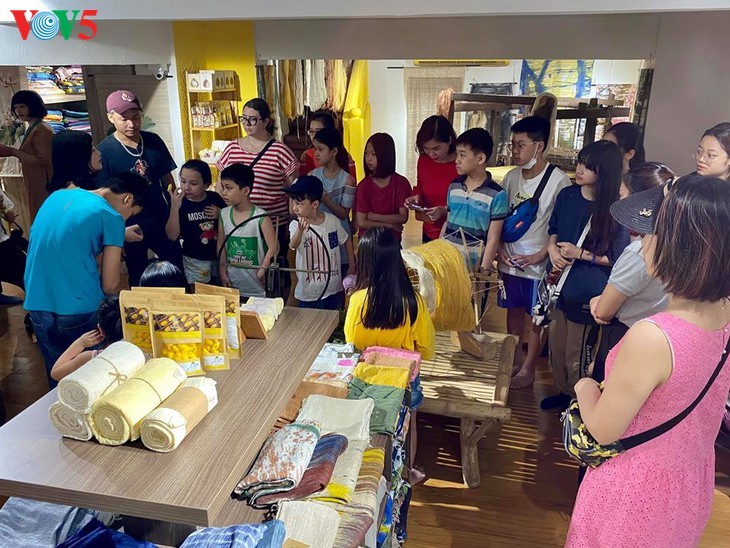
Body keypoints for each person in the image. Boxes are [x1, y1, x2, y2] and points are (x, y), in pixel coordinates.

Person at [566, 175, 730, 548]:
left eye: (648, 233)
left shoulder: (653, 336)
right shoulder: (725, 315)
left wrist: (584, 386)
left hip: (633, 489)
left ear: (678, 248)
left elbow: (605, 430)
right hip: (689, 481)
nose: (640, 242)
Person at [24, 172, 148, 386]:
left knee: (58, 374)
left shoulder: (57, 196)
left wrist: (119, 234)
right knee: (89, 380)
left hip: (37, 303)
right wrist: (118, 233)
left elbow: (65, 237)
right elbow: (110, 285)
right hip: (80, 308)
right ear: (127, 198)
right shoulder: (112, 217)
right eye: (130, 213)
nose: (125, 218)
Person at [542, 140, 629, 411]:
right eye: (580, 162)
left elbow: (617, 258)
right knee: (556, 344)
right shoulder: (567, 196)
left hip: (588, 291)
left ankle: (578, 403)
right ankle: (563, 391)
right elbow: (552, 230)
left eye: (588, 167)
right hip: (559, 284)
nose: (579, 170)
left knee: (577, 350)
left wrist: (581, 254)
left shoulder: (614, 209)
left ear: (604, 172)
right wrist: (552, 250)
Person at [496, 116, 571, 389]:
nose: (514, 151)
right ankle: (514, 358)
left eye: (520, 145)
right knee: (513, 311)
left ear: (538, 146)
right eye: (512, 145)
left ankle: (529, 367)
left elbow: (560, 225)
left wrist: (542, 254)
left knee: (537, 316)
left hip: (539, 263)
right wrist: (500, 249)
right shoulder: (511, 177)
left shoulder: (558, 180)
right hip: (510, 259)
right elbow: (501, 218)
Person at [589, 163, 675, 382]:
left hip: (623, 337)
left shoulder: (641, 251)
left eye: (622, 195)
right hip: (662, 341)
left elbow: (604, 312)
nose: (619, 201)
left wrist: (597, 302)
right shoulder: (681, 244)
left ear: (641, 203)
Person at [95, 90, 182, 287]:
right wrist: (117, 232)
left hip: (161, 219)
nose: (131, 124)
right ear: (111, 117)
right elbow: (104, 198)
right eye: (124, 119)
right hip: (130, 225)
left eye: (135, 118)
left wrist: (174, 209)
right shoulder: (104, 152)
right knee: (138, 276)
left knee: (175, 269)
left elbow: (167, 177)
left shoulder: (153, 141)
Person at [216, 98, 299, 299]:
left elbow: (294, 188)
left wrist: (291, 217)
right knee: (241, 267)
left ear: (266, 122)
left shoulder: (280, 150)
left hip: (273, 222)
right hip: (238, 221)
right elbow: (220, 183)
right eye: (244, 119)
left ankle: (278, 308)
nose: (247, 124)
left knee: (273, 273)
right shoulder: (232, 148)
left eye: (252, 120)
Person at [345, 226, 434, 359]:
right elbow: (426, 346)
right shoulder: (414, 301)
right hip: (403, 374)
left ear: (365, 263)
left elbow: (351, 341)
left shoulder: (357, 300)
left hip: (366, 373)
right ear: (398, 260)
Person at [441, 128, 508, 272]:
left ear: (480, 159)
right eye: (457, 154)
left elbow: (493, 238)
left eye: (463, 155)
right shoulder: (454, 186)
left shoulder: (497, 194)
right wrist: (438, 250)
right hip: (447, 263)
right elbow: (447, 222)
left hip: (473, 267)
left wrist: (484, 269)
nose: (457, 160)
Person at [286, 176, 355, 310]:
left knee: (332, 322)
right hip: (309, 292)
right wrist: (300, 231)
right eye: (293, 202)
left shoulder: (332, 221)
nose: (294, 208)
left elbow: (346, 239)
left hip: (334, 287)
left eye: (299, 203)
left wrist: (352, 263)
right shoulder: (295, 225)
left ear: (315, 204)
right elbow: (293, 245)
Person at [218, 163, 278, 298]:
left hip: (257, 287)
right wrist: (222, 271)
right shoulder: (224, 214)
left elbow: (274, 247)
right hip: (232, 284)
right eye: (223, 187)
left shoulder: (260, 216)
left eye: (229, 188)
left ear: (245, 191)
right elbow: (221, 245)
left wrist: (262, 270)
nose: (224, 193)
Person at [165, 160, 226, 285]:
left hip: (220, 256)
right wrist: (174, 207)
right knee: (200, 292)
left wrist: (221, 214)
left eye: (193, 183)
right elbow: (172, 236)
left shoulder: (214, 198)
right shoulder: (179, 203)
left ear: (206, 184)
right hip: (194, 259)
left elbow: (231, 223)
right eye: (183, 181)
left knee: (220, 288)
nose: (186, 187)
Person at [308, 127, 356, 276]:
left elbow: (343, 214)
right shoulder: (312, 176)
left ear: (334, 151)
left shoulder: (347, 179)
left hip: (340, 237)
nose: (316, 153)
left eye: (320, 149)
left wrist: (327, 200)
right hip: (318, 235)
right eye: (315, 149)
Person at [0, 90, 53, 220]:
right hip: (35, 183)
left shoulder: (41, 129)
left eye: (22, 106)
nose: (18, 111)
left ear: (32, 106)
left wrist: (13, 152)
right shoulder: (32, 127)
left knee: (43, 219)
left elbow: (43, 159)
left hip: (44, 184)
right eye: (16, 107)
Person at [404, 115, 458, 243]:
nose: (431, 154)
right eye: (426, 149)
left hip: (455, 234)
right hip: (430, 230)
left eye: (436, 148)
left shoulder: (461, 163)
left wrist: (444, 210)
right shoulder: (424, 160)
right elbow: (421, 187)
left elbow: (469, 202)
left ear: (449, 141)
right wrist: (415, 198)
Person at [50, 296, 123, 381]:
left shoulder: (90, 357)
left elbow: (55, 373)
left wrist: (80, 343)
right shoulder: (139, 352)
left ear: (101, 330)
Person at [355, 133, 411, 240]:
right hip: (368, 240)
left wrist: (372, 216)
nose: (368, 158)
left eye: (373, 154)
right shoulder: (363, 185)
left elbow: (403, 217)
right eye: (366, 154)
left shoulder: (401, 183)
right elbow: (361, 222)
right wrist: (388, 225)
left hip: (391, 240)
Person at [299, 111, 357, 178]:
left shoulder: (345, 156)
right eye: (311, 131)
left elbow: (352, 183)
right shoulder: (306, 156)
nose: (314, 135)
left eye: (318, 131)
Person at [0, 189, 26, 306]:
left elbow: (11, 218)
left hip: (2, 239)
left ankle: (36, 298)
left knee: (24, 268)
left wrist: (2, 207)